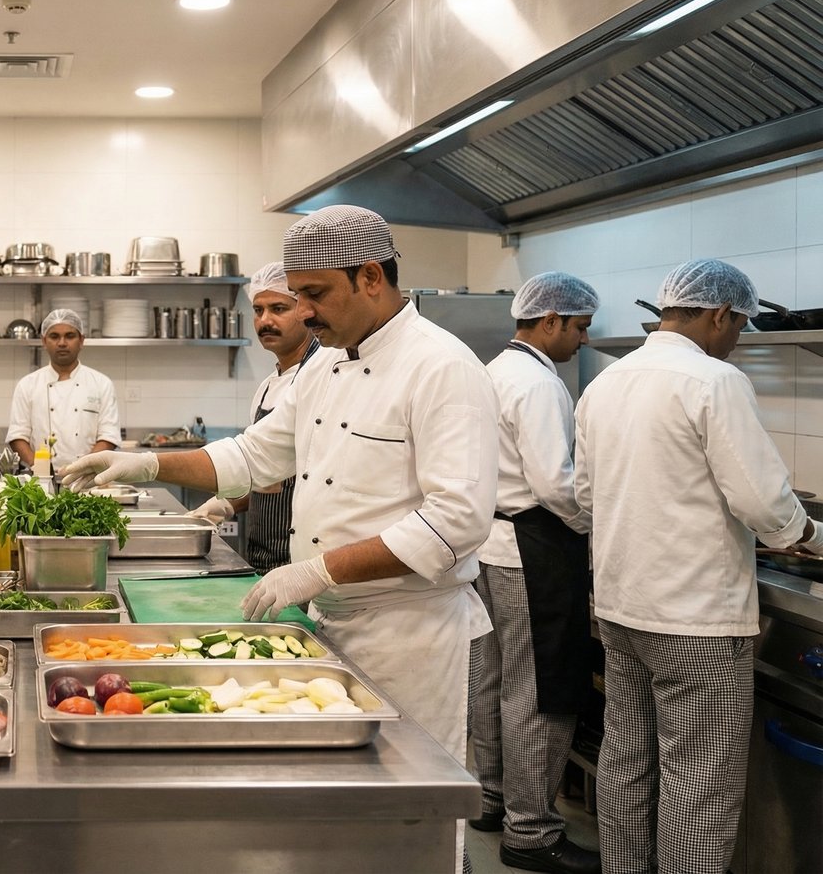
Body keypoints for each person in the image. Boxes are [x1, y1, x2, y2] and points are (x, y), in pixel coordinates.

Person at [60, 204, 496, 871]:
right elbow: (250, 457)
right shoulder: (323, 368)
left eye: (315, 295)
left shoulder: (442, 368)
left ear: (372, 276)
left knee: (409, 816)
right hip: (330, 628)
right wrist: (145, 462)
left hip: (411, 636)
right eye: (298, 296)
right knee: (338, 822)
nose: (305, 313)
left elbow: (455, 520)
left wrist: (318, 570)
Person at [574, 258, 823, 874]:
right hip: (695, 621)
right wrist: (808, 533)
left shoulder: (607, 381)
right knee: (699, 783)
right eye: (739, 327)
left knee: (627, 761)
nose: (737, 340)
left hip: (619, 606)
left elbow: (585, 497)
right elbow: (763, 501)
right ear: (719, 314)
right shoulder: (714, 380)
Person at [469, 272, 601, 874]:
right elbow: (555, 484)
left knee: (493, 684)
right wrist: (595, 525)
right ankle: (532, 832)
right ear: (549, 321)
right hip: (533, 550)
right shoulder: (539, 385)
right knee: (540, 692)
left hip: (488, 547)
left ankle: (493, 800)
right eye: (578, 328)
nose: (580, 340)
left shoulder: (491, 372)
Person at [187, 262, 322, 572]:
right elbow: (263, 470)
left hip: (301, 562)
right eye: (258, 310)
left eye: (278, 308)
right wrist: (227, 504)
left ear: (303, 310)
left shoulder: (319, 377)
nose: (265, 321)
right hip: (262, 553)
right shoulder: (266, 387)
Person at [6, 308, 120, 469]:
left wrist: (83, 469)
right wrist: (38, 467)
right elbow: (17, 436)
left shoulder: (101, 383)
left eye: (69, 336)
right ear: (44, 341)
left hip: (88, 477)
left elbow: (109, 437)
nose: (62, 343)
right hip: (41, 479)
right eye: (54, 336)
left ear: (81, 340)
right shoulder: (28, 384)